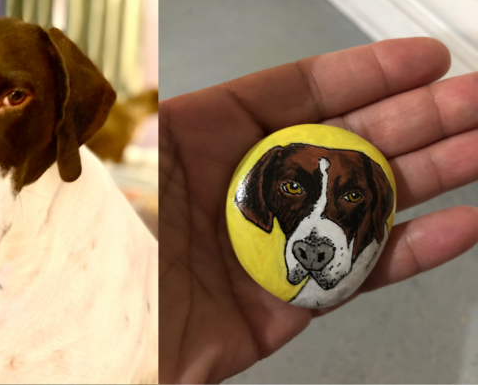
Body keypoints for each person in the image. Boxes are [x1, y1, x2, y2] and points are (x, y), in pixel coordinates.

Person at [159, 37, 478, 383]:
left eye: (353, 196)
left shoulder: (374, 182)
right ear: (261, 198)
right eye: (292, 188)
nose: (314, 241)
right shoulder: (265, 171)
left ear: (373, 209)